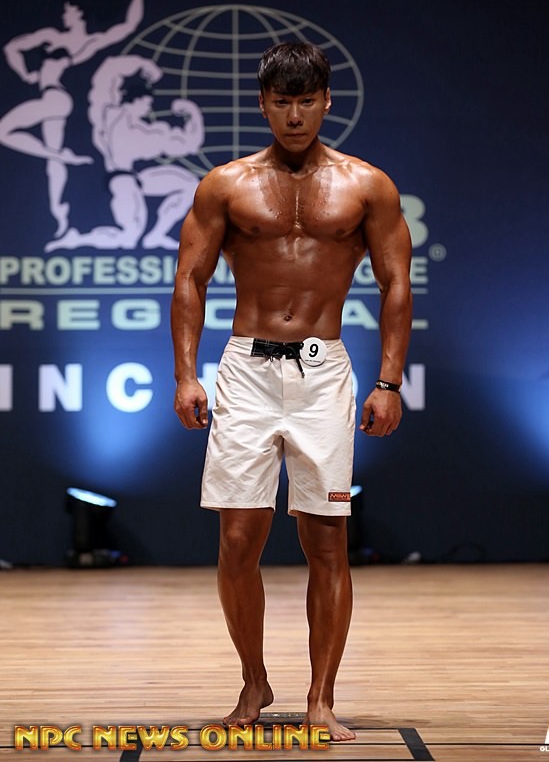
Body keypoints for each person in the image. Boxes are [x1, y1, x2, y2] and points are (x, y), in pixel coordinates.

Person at [171, 42, 412, 741]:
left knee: (326, 539)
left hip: (322, 372)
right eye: (283, 102)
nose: (296, 115)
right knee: (237, 539)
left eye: (307, 101)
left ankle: (321, 698)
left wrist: (389, 381)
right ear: (263, 104)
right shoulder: (226, 185)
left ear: (327, 101)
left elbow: (396, 284)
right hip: (246, 370)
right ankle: (254, 679)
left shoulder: (367, 186)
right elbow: (190, 279)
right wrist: (186, 374)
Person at [0, 0, 156, 238]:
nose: (64, 15)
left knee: (4, 131)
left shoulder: (81, 42)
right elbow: (12, 48)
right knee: (53, 163)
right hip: (56, 99)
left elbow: (128, 26)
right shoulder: (57, 37)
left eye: (68, 11)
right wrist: (25, 74)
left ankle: (62, 158)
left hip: (55, 98)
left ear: (80, 13)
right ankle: (59, 216)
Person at [45, 55, 204, 251]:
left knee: (190, 185)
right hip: (122, 180)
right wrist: (142, 64)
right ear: (134, 100)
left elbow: (187, 144)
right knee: (129, 236)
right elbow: (107, 75)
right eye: (146, 103)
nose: (148, 108)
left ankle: (157, 234)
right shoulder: (110, 116)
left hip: (138, 178)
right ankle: (76, 239)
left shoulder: (144, 131)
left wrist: (192, 114)